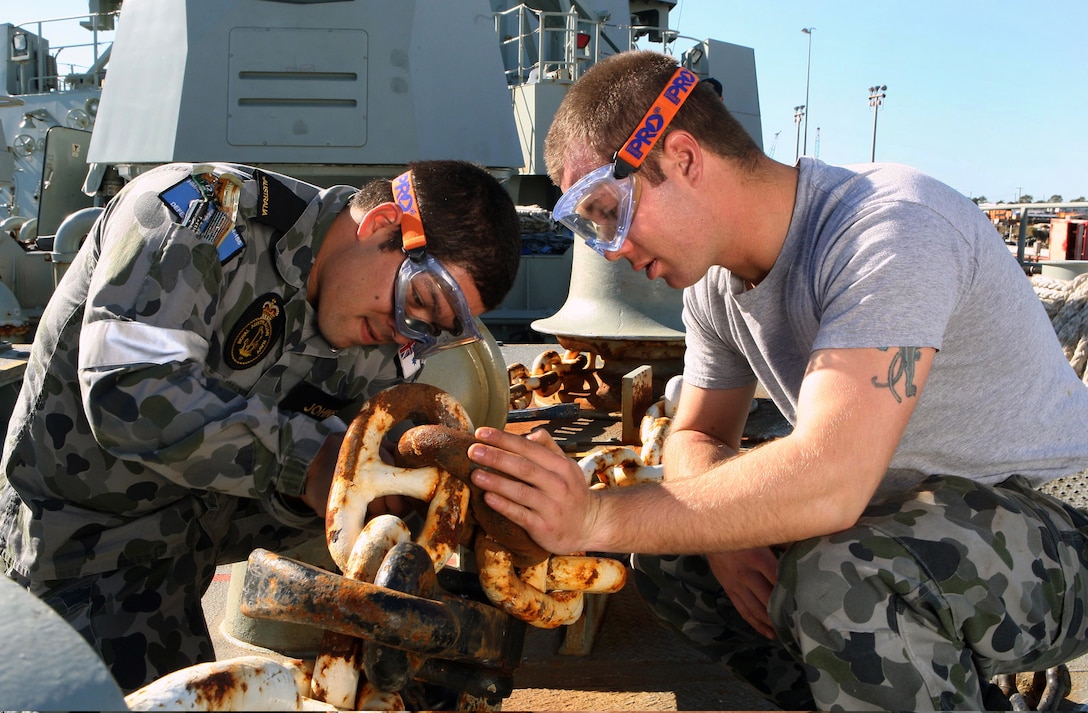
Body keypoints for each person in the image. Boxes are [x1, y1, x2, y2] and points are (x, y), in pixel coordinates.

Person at [467, 50, 1088, 711]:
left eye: (609, 211)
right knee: (675, 557)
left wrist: (594, 517)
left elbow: (831, 479)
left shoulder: (889, 229)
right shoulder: (715, 289)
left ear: (683, 157)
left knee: (842, 577)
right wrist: (724, 541)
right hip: (912, 520)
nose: (612, 248)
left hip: (1058, 520)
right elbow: (697, 434)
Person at [0, 159, 520, 692]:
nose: (406, 332)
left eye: (431, 330)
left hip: (187, 549)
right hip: (84, 545)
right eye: (418, 300)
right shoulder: (199, 213)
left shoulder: (382, 337)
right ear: (382, 223)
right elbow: (129, 394)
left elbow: (354, 476)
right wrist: (309, 462)